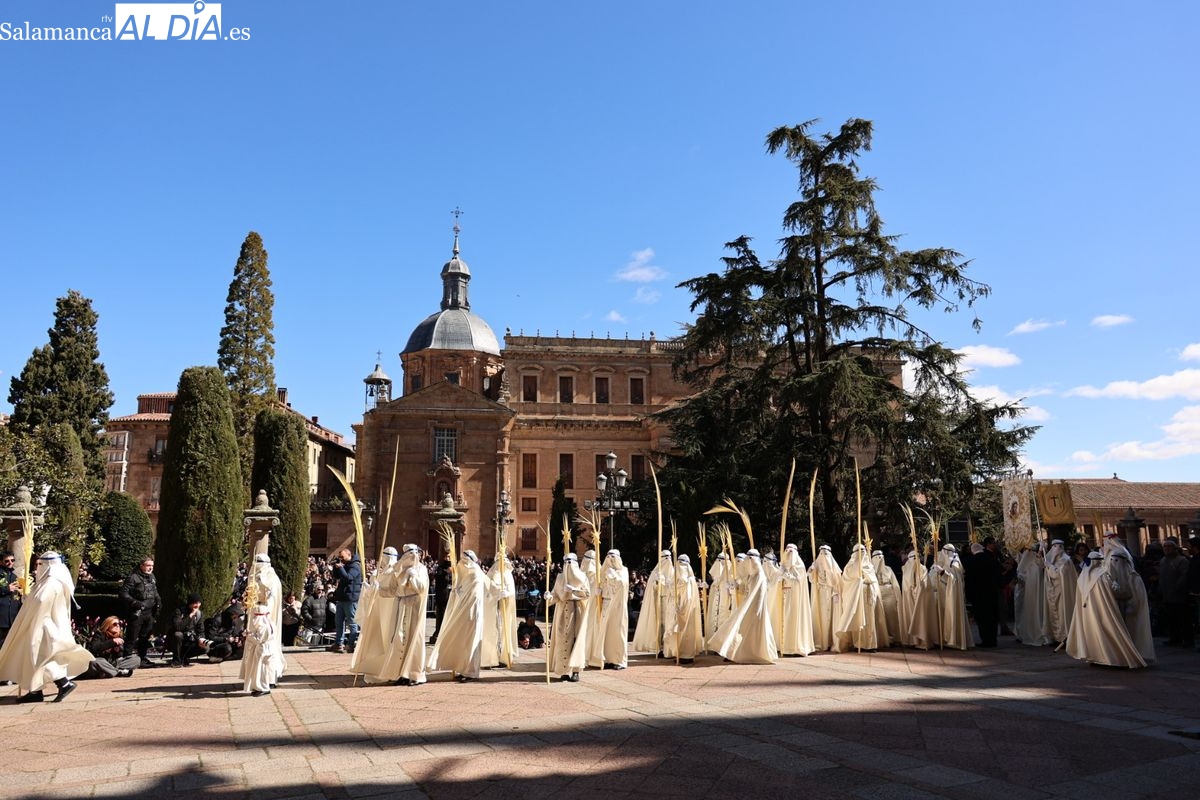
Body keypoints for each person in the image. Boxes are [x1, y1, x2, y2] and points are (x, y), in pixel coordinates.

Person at [0, 552, 92, 702]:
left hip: (43, 626)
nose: (38, 568)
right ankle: (35, 690)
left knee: (39, 657)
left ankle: (64, 683)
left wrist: (29, 599)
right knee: (32, 657)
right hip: (42, 624)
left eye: (40, 565)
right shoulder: (48, 582)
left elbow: (41, 601)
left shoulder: (52, 583)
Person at [1067, 549, 1156, 668]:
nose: (1113, 564)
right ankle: (1108, 658)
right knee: (1106, 634)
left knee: (1095, 634)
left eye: (1116, 561)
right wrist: (1119, 590)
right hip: (1104, 611)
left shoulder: (1083, 577)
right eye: (1112, 560)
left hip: (1090, 612)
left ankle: (1098, 657)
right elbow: (1117, 592)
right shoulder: (1103, 576)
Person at [429, 550, 501, 682]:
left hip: (474, 612)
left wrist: (501, 590)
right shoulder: (462, 571)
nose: (463, 562)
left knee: (472, 640)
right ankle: (463, 669)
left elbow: (491, 587)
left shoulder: (476, 571)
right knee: (463, 640)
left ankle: (471, 672)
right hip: (463, 611)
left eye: (465, 559)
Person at [708, 549, 777, 664]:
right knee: (736, 626)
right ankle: (731, 651)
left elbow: (757, 595)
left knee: (741, 627)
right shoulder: (752, 575)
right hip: (746, 607)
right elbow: (744, 586)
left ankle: (738, 652)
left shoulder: (760, 575)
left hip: (754, 609)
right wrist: (735, 585)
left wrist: (749, 608)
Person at [379, 544, 430, 686]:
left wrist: (413, 577)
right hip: (401, 606)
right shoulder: (398, 569)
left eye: (414, 553)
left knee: (414, 638)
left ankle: (415, 674)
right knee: (400, 639)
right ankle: (401, 673)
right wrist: (379, 589)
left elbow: (421, 588)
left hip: (415, 606)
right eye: (409, 553)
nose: (412, 556)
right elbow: (392, 590)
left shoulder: (421, 569)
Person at [351, 546, 401, 679]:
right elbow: (373, 591)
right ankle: (374, 666)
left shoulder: (395, 572)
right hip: (377, 610)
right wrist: (367, 588)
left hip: (389, 609)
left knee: (387, 636)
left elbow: (393, 591)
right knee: (376, 637)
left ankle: (388, 668)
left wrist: (378, 589)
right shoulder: (378, 573)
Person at [833, 544, 887, 653]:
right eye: (859, 551)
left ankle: (871, 644)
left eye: (863, 550)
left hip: (870, 596)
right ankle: (859, 644)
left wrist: (869, 584)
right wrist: (858, 581)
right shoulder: (849, 567)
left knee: (871, 620)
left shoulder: (869, 566)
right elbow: (847, 583)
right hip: (857, 598)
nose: (861, 553)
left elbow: (873, 580)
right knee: (859, 619)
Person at [547, 553, 591, 681]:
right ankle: (564, 671)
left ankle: (576, 671)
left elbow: (587, 593)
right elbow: (556, 594)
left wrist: (573, 590)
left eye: (570, 562)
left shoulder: (582, 577)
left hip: (577, 611)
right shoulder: (560, 578)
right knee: (563, 639)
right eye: (566, 562)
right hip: (562, 611)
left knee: (576, 640)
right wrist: (549, 597)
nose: (568, 565)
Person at [589, 549, 629, 669]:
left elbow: (621, 585)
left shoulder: (624, 571)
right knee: (605, 633)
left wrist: (612, 574)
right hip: (606, 604)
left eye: (613, 557)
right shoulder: (603, 571)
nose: (610, 560)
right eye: (608, 557)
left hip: (618, 607)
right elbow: (599, 583)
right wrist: (598, 591)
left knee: (618, 633)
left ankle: (619, 660)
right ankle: (606, 659)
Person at [774, 543, 815, 657]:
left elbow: (798, 582)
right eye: (787, 551)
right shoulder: (783, 565)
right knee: (783, 620)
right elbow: (776, 580)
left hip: (795, 599)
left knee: (793, 620)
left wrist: (786, 575)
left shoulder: (799, 566)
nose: (789, 554)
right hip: (784, 596)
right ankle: (782, 646)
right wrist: (780, 574)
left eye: (791, 552)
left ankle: (794, 646)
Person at [632, 551, 675, 657]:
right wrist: (656, 582)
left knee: (669, 624)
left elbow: (674, 588)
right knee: (660, 626)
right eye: (665, 558)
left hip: (669, 602)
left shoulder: (673, 573)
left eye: (669, 557)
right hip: (658, 602)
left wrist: (666, 583)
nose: (667, 560)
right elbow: (651, 590)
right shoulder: (655, 573)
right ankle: (660, 647)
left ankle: (670, 648)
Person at [120, 556, 161, 662]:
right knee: (132, 637)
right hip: (137, 612)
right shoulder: (133, 577)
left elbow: (154, 591)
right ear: (141, 566)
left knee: (145, 637)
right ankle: (127, 660)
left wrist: (158, 602)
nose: (150, 568)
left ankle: (142, 658)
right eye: (148, 565)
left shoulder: (152, 577)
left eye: (152, 566)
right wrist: (135, 603)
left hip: (150, 612)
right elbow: (123, 593)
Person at [966, 536, 1004, 647]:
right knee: (992, 617)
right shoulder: (990, 558)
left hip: (978, 595)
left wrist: (969, 594)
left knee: (982, 619)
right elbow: (998, 574)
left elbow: (969, 579)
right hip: (992, 593)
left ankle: (985, 640)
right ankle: (993, 639)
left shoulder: (971, 561)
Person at [483, 549, 518, 669]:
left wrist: (506, 593)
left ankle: (503, 657)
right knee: (492, 631)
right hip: (493, 608)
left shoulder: (508, 574)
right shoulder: (492, 573)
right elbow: (487, 587)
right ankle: (490, 658)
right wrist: (496, 593)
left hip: (504, 609)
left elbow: (511, 591)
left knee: (503, 631)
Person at [1042, 539, 1078, 645]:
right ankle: (1054, 637)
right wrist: (1041, 549)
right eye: (1054, 546)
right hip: (1052, 592)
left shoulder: (1066, 560)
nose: (1056, 549)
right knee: (1053, 614)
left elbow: (1058, 574)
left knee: (1062, 614)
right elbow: (1040, 564)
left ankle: (1063, 637)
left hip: (1062, 592)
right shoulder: (1050, 559)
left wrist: (1050, 566)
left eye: (1059, 546)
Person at [1158, 537, 1192, 648]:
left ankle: (1187, 640)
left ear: (1175, 548)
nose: (1167, 549)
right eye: (1165, 547)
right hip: (1167, 595)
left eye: (1169, 547)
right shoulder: (1163, 561)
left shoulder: (1182, 561)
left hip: (1179, 595)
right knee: (1171, 619)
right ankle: (1174, 638)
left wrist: (1176, 588)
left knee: (1183, 618)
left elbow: (1184, 576)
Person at [1013, 546, 1050, 646]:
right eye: (1028, 550)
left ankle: (1040, 631)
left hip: (1038, 590)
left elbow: (1042, 565)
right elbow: (1020, 574)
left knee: (1039, 609)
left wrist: (1040, 551)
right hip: (1028, 593)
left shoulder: (1037, 560)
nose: (1030, 552)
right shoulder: (1023, 563)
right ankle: (1024, 632)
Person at [328, 548, 363, 654]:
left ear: (349, 555)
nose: (341, 559)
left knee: (352, 623)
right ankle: (339, 643)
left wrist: (341, 567)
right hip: (341, 597)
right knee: (339, 622)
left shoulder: (355, 566)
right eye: (340, 557)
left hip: (350, 599)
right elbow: (337, 577)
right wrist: (335, 568)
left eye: (342, 557)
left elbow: (348, 578)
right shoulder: (345, 565)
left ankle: (351, 644)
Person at [671, 554, 704, 663]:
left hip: (687, 612)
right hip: (680, 610)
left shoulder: (689, 581)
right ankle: (680, 654)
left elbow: (688, 599)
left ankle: (687, 656)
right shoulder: (679, 580)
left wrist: (680, 608)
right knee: (680, 632)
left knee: (687, 632)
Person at [809, 545, 842, 652]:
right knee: (821, 618)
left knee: (831, 618)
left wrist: (836, 593)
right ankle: (821, 642)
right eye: (822, 553)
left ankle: (831, 641)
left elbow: (838, 582)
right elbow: (811, 579)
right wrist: (812, 571)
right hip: (820, 596)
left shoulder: (834, 567)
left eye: (826, 554)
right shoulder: (815, 565)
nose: (824, 556)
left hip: (831, 596)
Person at [241, 602, 276, 696]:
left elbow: (258, 639)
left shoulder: (263, 625)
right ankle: (259, 687)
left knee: (261, 670)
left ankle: (263, 688)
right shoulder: (269, 622)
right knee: (261, 669)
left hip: (263, 649)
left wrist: (248, 635)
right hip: (266, 648)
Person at [871, 549, 902, 647]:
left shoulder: (888, 569)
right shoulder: (870, 570)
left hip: (889, 593)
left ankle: (894, 638)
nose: (879, 559)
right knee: (880, 617)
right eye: (877, 557)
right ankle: (882, 639)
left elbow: (895, 583)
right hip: (877, 593)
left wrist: (898, 596)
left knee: (891, 616)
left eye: (881, 556)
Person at [169, 594, 209, 667]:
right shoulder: (179, 611)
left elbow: (200, 630)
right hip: (175, 641)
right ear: (190, 603)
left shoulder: (199, 614)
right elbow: (178, 627)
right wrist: (190, 615)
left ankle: (183, 657)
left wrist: (201, 639)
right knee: (178, 635)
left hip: (190, 639)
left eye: (199, 603)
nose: (197, 605)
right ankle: (176, 660)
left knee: (205, 647)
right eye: (195, 603)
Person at [706, 552, 736, 640]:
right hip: (715, 606)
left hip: (725, 606)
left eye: (721, 561)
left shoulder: (730, 575)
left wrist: (731, 588)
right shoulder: (715, 579)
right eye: (718, 560)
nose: (719, 563)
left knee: (723, 621)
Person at [205, 598, 245, 662]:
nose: (237, 617)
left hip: (228, 644)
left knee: (241, 651)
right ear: (232, 613)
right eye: (236, 615)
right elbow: (211, 637)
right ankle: (215, 656)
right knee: (227, 648)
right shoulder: (217, 620)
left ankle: (222, 659)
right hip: (215, 646)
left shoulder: (232, 622)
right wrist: (226, 639)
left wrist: (237, 639)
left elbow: (234, 634)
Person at [0, 552, 21, 648]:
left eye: (12, 560)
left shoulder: (14, 576)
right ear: (1, 562)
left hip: (12, 617)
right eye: (7, 561)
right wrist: (6, 589)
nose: (10, 563)